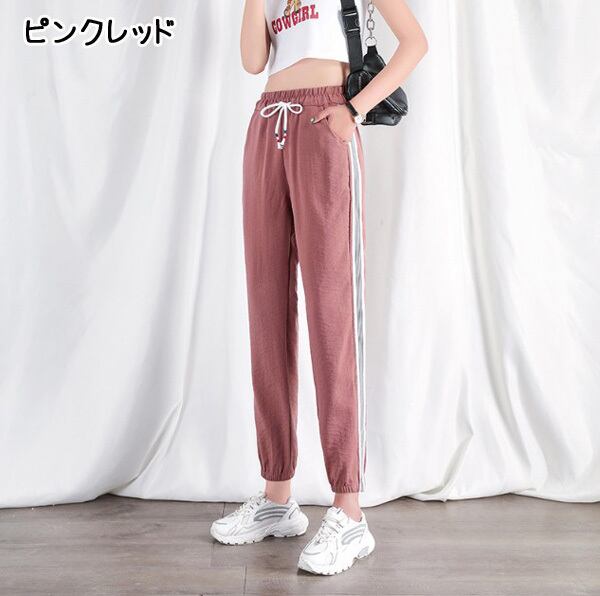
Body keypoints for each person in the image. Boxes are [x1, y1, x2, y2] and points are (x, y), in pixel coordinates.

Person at [211, 0, 428, 575]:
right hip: (267, 122)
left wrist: (353, 109)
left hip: (326, 120)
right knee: (265, 311)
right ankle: (277, 496)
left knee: (333, 315)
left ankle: (349, 511)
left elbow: (414, 43)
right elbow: (253, 60)